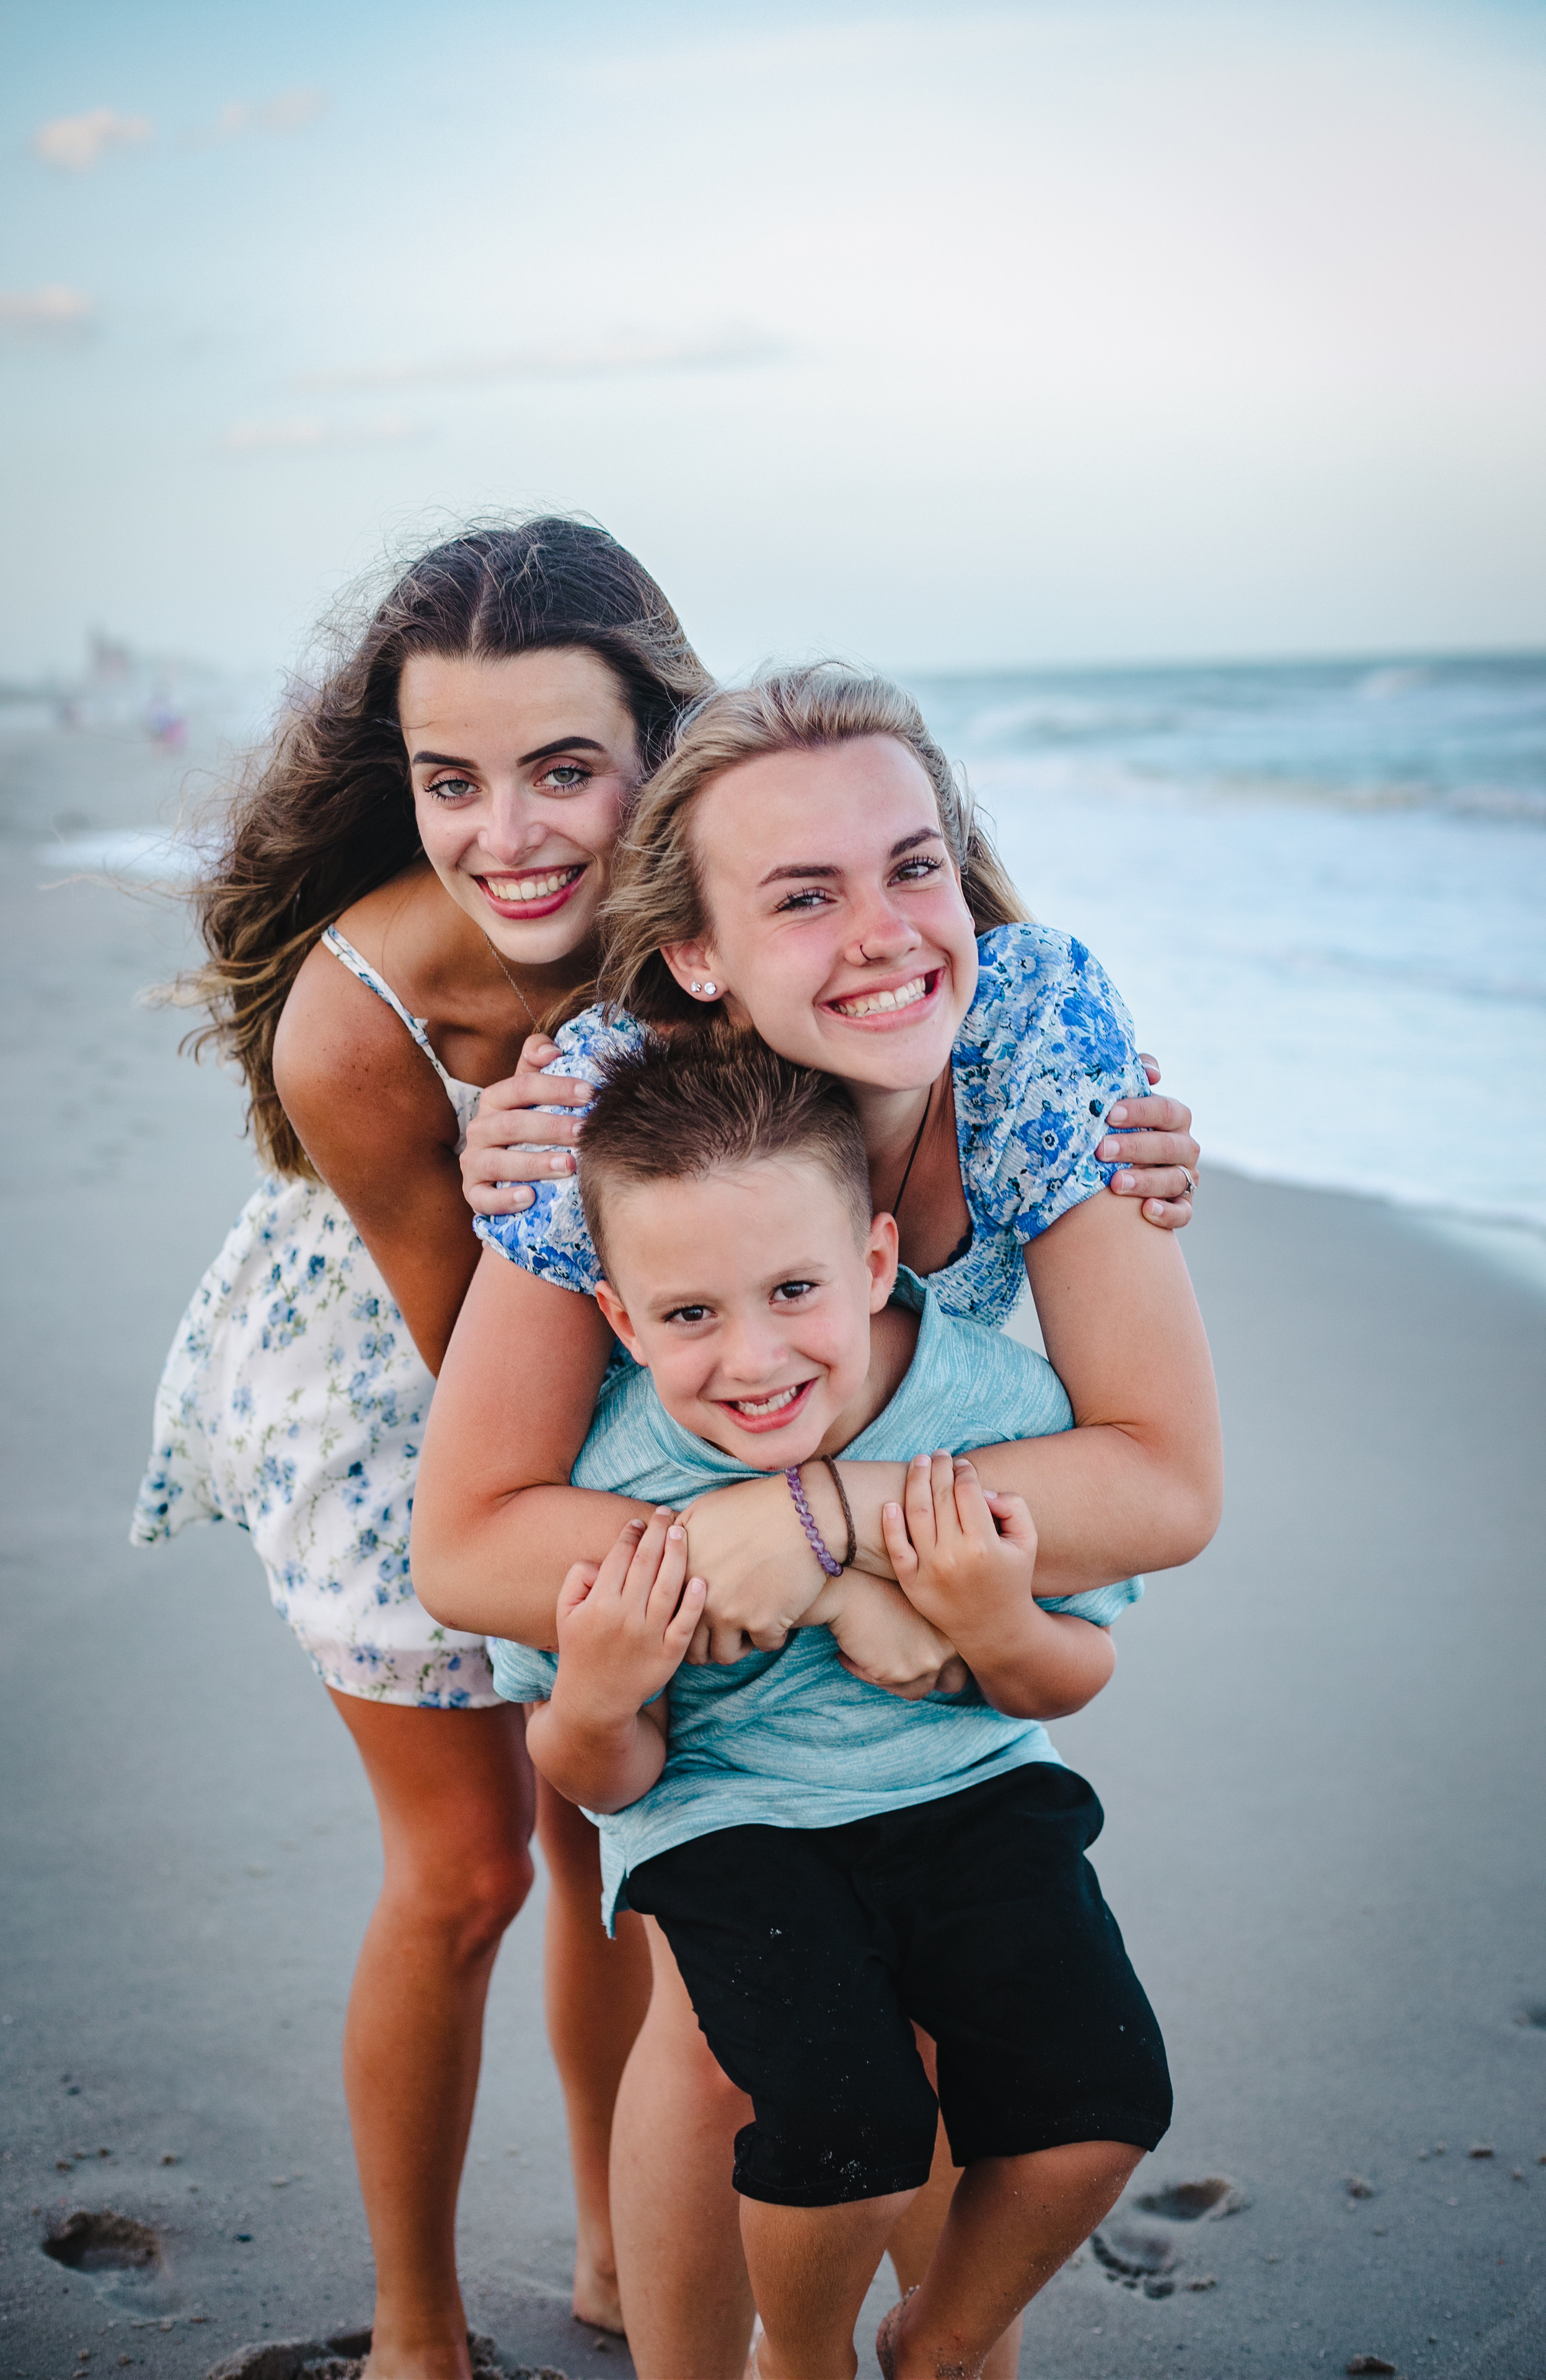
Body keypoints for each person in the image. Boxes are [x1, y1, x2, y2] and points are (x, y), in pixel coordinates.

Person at [412, 664, 1221, 2379]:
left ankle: (945, 2344)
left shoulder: (1030, 1020)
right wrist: (736, 1548)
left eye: (914, 866)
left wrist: (833, 1521)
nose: (886, 933)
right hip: (678, 1578)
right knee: (727, 2031)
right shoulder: (609, 1107)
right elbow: (475, 1537)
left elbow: (1161, 1480)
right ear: (699, 952)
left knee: (962, 1994)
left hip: (924, 1487)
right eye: (803, 893)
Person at [131, 517, 712, 2380]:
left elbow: (936, 1024)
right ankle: (415, 2326)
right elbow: (474, 1379)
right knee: (467, 1865)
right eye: (451, 781)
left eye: (565, 770)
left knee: (610, 1826)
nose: (511, 835)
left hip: (639, 1354)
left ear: (660, 756)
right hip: (402, 1375)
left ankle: (622, 2257)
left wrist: (1129, 1147)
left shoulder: (721, 907)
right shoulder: (357, 1019)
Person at [490, 1034, 1171, 2380]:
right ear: (619, 1321)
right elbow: (590, 1775)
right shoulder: (614, 1479)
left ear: (871, 1264)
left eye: (793, 1290)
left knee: (1102, 2107)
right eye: (687, 1315)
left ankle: (936, 2342)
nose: (752, 1359)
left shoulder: (992, 1405)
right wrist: (609, 1690)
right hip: (732, 1826)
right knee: (847, 2134)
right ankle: (796, 2360)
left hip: (973, 1792)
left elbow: (1075, 1675)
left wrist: (988, 1625)